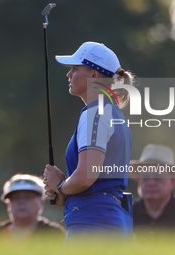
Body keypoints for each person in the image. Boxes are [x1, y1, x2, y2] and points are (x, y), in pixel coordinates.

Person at [43, 41, 134, 242]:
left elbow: (85, 176)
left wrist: (61, 186)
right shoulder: (112, 112)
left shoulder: (95, 113)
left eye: (75, 69)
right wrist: (66, 193)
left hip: (94, 222)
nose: (69, 74)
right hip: (109, 219)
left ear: (94, 74)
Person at [130, 144, 175, 232]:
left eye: (158, 178)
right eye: (145, 177)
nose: (151, 183)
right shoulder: (127, 213)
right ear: (138, 180)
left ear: (172, 180)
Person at [0, 174, 65, 243]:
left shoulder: (53, 234)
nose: (21, 202)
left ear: (41, 202)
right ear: (8, 203)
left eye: (28, 197)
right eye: (16, 198)